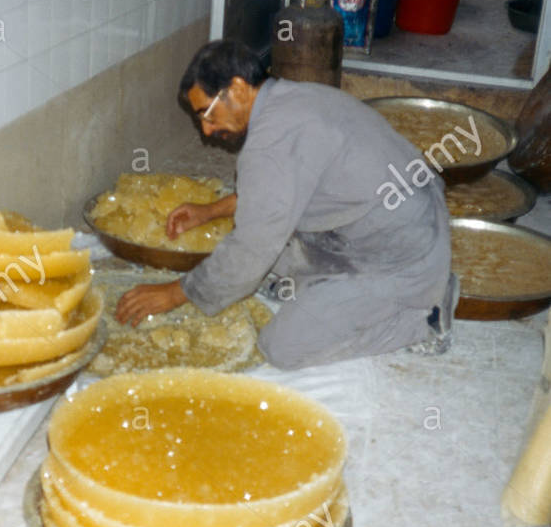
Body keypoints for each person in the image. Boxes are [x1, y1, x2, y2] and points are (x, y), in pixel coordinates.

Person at [115, 38, 457, 369]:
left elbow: (252, 247)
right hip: (403, 218)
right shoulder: (290, 98)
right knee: (260, 254)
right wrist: (210, 211)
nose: (205, 130)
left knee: (280, 346)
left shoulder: (270, 141)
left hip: (399, 256)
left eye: (206, 113)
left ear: (235, 89)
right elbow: (280, 188)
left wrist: (177, 293)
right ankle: (331, 290)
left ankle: (424, 317)